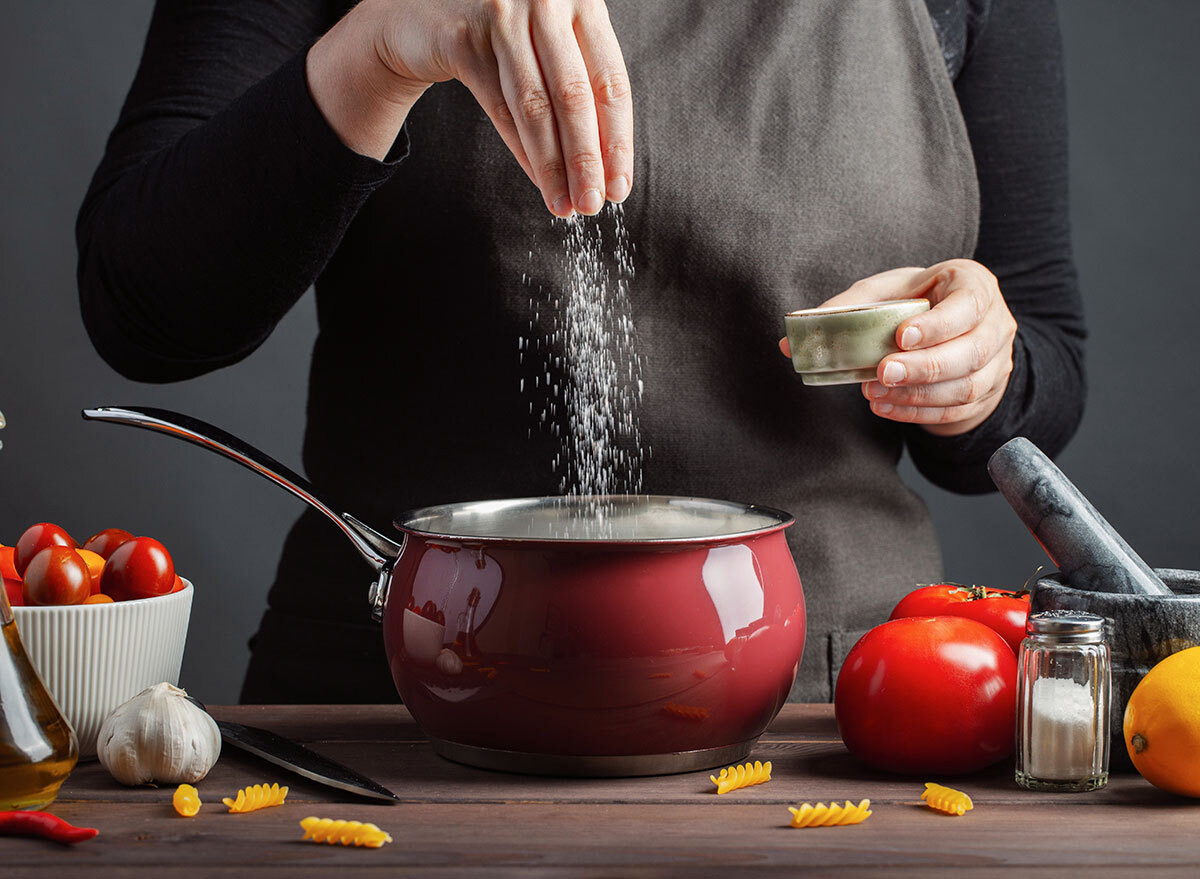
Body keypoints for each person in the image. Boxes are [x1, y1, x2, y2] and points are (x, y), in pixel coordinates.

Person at [76, 0, 1085, 703]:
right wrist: (379, 48)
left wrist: (975, 364)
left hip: (831, 711)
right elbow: (145, 313)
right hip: (397, 708)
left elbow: (1044, 359)